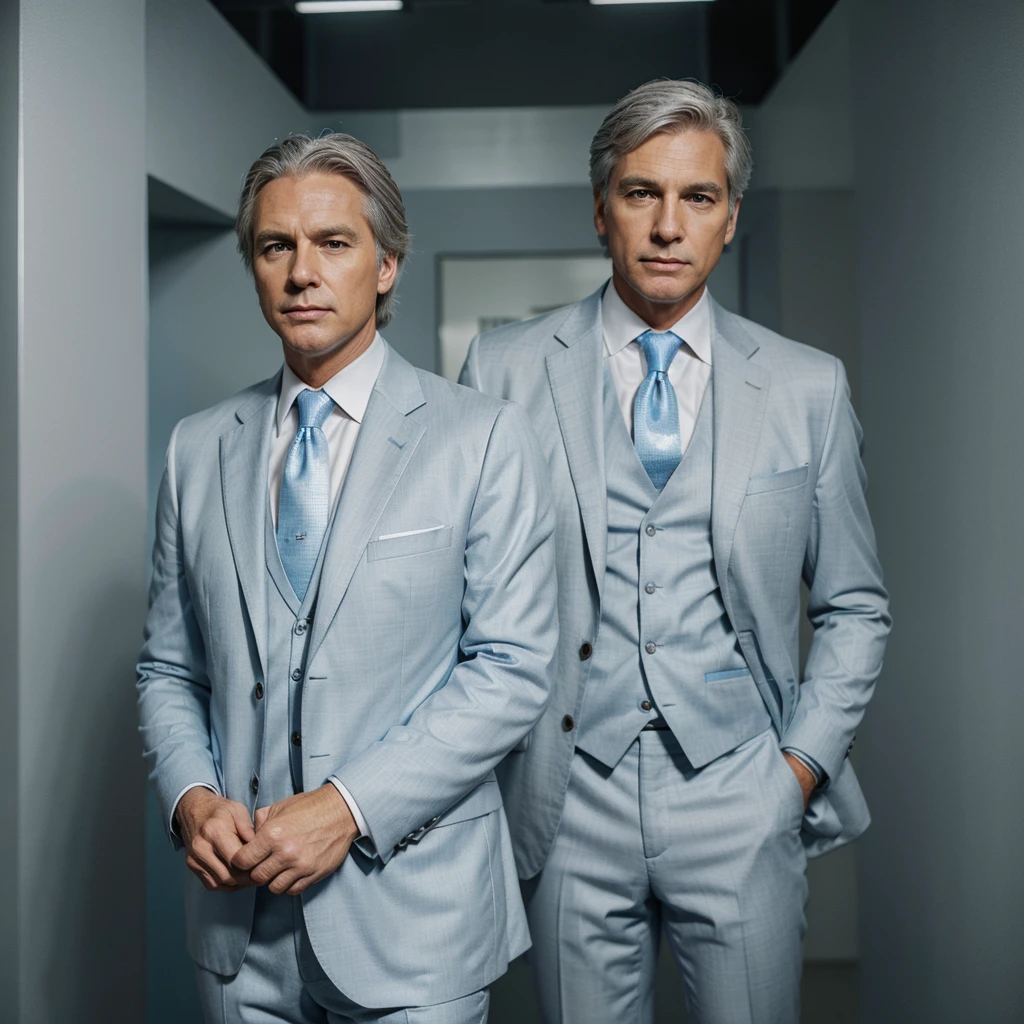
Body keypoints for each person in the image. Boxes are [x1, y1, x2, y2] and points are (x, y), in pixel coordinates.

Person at [459, 79, 891, 1024]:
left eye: (697, 197)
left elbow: (855, 606)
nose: (667, 224)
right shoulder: (502, 370)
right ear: (601, 210)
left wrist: (797, 771)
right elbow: (469, 593)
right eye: (640, 193)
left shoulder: (807, 387)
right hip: (569, 795)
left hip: (743, 791)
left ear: (730, 218)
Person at [137, 132, 556, 1024]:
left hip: (416, 919)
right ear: (252, 265)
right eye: (274, 246)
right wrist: (190, 797)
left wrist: (348, 806)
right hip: (239, 926)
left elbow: (512, 669)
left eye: (333, 243)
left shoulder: (481, 438)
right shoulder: (195, 448)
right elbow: (171, 670)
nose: (301, 273)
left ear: (388, 263)